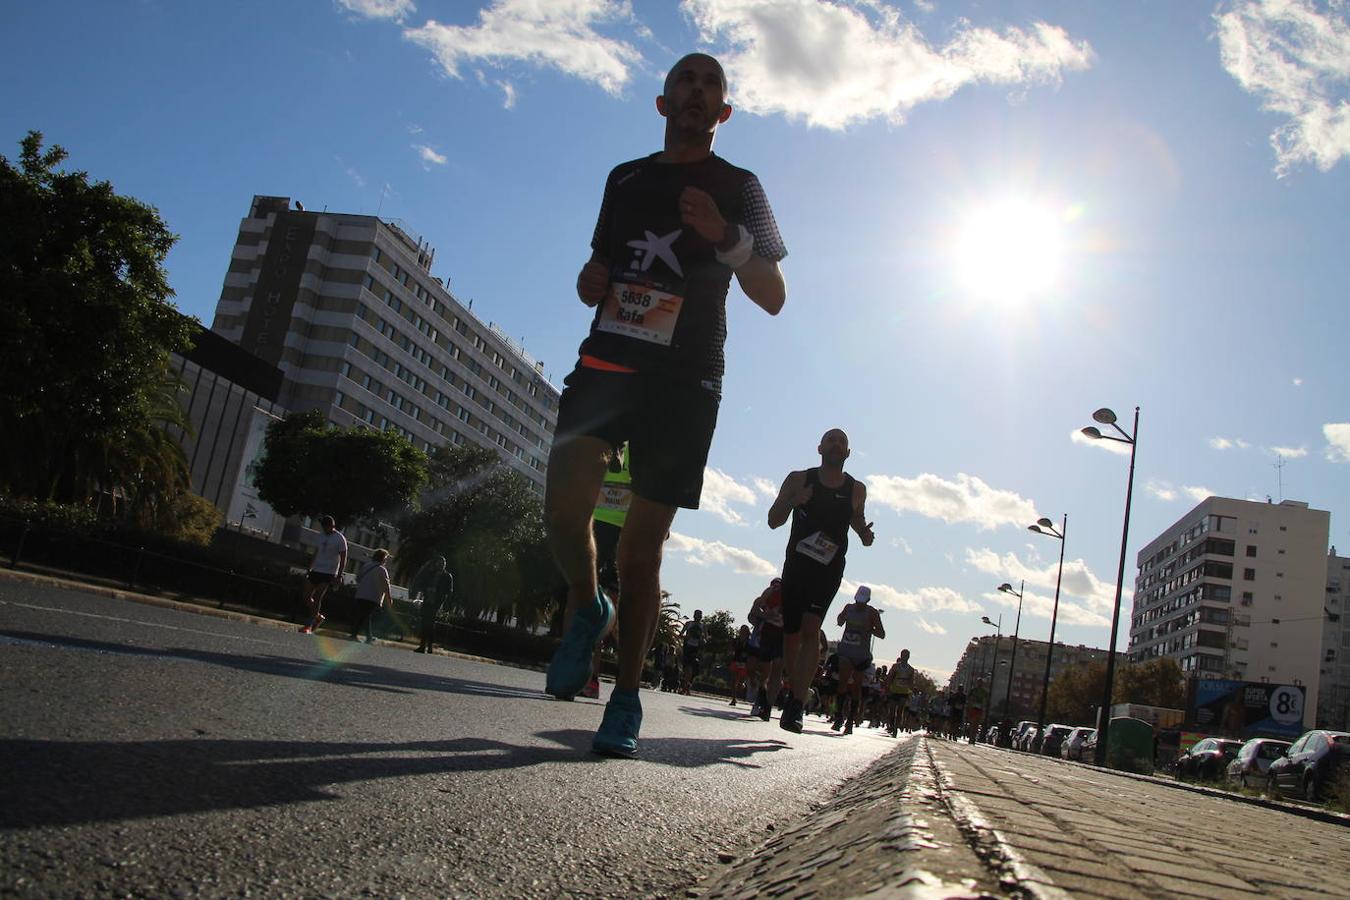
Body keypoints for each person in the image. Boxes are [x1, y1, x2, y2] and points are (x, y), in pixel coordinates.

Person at [543, 51, 788, 758]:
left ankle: (624, 702)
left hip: (686, 379)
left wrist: (725, 235)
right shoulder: (625, 178)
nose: (696, 90)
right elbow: (604, 266)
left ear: (725, 112)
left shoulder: (742, 187)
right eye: (686, 79)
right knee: (563, 509)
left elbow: (772, 295)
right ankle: (590, 607)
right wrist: (592, 280)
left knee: (643, 552)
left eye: (711, 83)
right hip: (609, 360)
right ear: (662, 101)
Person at [768, 429, 874, 734]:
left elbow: (856, 519)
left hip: (828, 568)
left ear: (848, 453)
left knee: (812, 627)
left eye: (842, 441)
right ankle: (793, 686)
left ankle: (797, 703)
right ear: (819, 448)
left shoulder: (856, 489)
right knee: (791, 633)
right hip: (797, 564)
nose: (837, 444)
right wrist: (793, 501)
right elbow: (773, 520)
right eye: (831, 439)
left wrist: (865, 534)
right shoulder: (799, 479)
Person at [832, 586, 885, 734]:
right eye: (858, 600)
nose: (859, 603)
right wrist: (841, 618)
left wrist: (870, 629)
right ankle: (838, 717)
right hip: (846, 650)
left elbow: (881, 633)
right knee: (842, 683)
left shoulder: (872, 613)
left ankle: (850, 720)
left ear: (868, 600)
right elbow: (840, 620)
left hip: (861, 655)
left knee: (856, 686)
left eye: (862, 601)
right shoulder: (849, 608)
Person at [746, 577, 786, 721]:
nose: (777, 587)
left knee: (775, 670)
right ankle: (761, 693)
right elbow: (753, 613)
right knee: (760, 670)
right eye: (775, 585)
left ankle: (766, 706)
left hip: (782, 635)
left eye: (779, 585)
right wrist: (765, 615)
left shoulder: (791, 594)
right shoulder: (766, 595)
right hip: (763, 635)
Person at [301, 515, 347, 634]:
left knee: (317, 597)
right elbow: (317, 552)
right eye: (324, 527)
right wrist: (309, 567)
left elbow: (343, 558)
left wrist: (339, 575)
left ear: (332, 526)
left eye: (327, 527)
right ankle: (317, 617)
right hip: (316, 569)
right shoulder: (321, 536)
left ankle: (309, 625)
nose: (325, 529)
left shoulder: (340, 538)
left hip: (328, 572)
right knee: (306, 596)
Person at [411, 556, 453, 653]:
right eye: (439, 563)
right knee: (426, 623)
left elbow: (449, 591)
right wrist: (426, 589)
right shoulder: (430, 573)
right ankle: (425, 646)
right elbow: (422, 584)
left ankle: (426, 646)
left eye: (443, 563)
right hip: (427, 600)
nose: (441, 565)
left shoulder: (447, 576)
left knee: (429, 624)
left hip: (436, 602)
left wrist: (445, 602)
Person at [350, 549, 392, 643]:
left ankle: (358, 634)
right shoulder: (382, 569)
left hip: (361, 594)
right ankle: (366, 637)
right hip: (373, 597)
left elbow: (358, 578)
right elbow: (386, 585)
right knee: (366, 616)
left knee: (362, 615)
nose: (386, 561)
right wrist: (389, 598)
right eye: (385, 558)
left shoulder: (366, 566)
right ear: (382, 559)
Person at [884, 649, 916, 738]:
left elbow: (911, 682)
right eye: (903, 655)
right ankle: (891, 724)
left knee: (900, 711)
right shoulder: (895, 666)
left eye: (907, 655)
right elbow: (890, 677)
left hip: (903, 692)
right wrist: (887, 687)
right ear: (901, 655)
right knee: (892, 710)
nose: (905, 657)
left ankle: (895, 728)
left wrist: (911, 692)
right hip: (894, 690)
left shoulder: (911, 669)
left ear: (908, 657)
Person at [679, 609, 705, 695]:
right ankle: (686, 687)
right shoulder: (688, 624)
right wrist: (686, 637)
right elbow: (681, 635)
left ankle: (686, 687)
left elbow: (706, 639)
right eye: (697, 615)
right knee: (686, 668)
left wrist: (702, 640)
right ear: (694, 615)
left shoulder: (703, 626)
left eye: (700, 615)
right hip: (687, 647)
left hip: (696, 649)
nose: (699, 617)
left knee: (691, 669)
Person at [728, 624, 751, 706]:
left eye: (744, 630)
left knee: (740, 682)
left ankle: (742, 686)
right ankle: (734, 699)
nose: (742, 631)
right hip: (736, 661)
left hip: (744, 663)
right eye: (741, 629)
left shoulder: (750, 641)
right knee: (733, 680)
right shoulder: (736, 640)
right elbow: (731, 649)